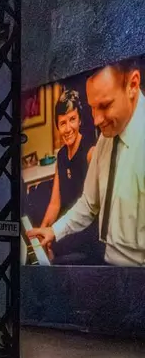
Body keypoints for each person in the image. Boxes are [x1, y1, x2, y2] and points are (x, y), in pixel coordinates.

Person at [29, 60, 145, 266]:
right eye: (92, 108)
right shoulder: (105, 140)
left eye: (105, 105)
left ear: (133, 85)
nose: (97, 120)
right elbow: (89, 203)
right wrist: (53, 231)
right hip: (107, 269)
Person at [38, 89, 98, 263]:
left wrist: (52, 236)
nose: (68, 128)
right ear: (57, 126)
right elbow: (54, 204)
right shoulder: (61, 155)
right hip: (68, 228)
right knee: (46, 246)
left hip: (88, 234)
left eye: (72, 119)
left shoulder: (90, 152)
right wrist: (42, 231)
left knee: (52, 255)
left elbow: (94, 212)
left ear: (79, 120)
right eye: (62, 123)